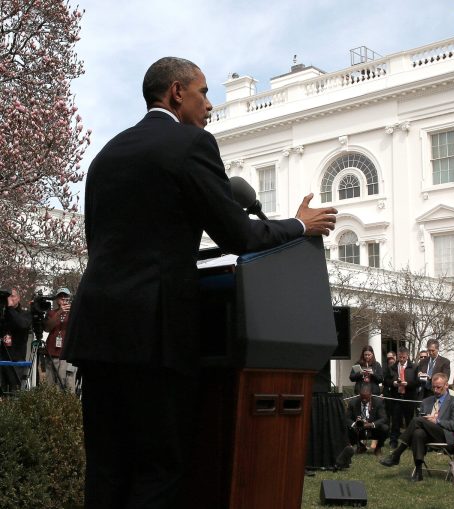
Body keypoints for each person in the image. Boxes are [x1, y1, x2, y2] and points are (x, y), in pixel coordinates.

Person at [63, 57, 338, 509]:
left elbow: (108, 245)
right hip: (155, 338)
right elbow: (241, 235)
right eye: (203, 93)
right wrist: (298, 224)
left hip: (97, 334)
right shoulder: (191, 144)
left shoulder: (105, 155)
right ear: (176, 92)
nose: (209, 105)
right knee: (158, 470)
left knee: (108, 469)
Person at [379, 372, 454, 481]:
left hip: (445, 435)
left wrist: (437, 421)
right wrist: (427, 422)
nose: (436, 390)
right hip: (427, 435)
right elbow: (418, 425)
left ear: (446, 385)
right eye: (433, 387)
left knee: (416, 420)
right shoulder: (426, 401)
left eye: (439, 387)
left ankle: (397, 454)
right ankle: (418, 472)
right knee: (418, 433)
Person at [42, 287, 77, 391]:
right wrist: (60, 312)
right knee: (50, 385)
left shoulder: (74, 313)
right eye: (60, 296)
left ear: (69, 298)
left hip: (66, 355)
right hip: (52, 353)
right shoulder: (52, 313)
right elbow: (47, 328)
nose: (63, 299)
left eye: (65, 297)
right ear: (56, 299)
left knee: (65, 384)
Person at [384, 346, 418, 448]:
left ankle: (410, 442)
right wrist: (393, 383)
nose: (402, 359)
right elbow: (385, 381)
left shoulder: (414, 367)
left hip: (409, 397)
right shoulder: (392, 367)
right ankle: (393, 442)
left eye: (403, 357)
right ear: (397, 356)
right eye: (400, 357)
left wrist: (407, 384)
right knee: (395, 420)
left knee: (409, 420)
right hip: (396, 397)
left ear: (407, 356)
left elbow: (418, 382)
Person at [0, 287, 31, 394]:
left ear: (18, 298)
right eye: (7, 297)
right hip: (2, 360)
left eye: (12, 296)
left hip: (16, 361)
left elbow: (22, 325)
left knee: (15, 394)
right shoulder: (2, 314)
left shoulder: (25, 314)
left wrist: (10, 309)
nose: (10, 299)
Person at [345, 383, 388, 455]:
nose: (364, 400)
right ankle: (361, 446)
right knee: (346, 428)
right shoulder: (353, 402)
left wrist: (371, 424)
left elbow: (384, 418)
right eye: (362, 397)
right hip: (358, 429)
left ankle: (378, 448)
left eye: (366, 397)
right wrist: (354, 424)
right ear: (359, 395)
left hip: (372, 428)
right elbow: (346, 419)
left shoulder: (378, 402)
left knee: (385, 428)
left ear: (371, 395)